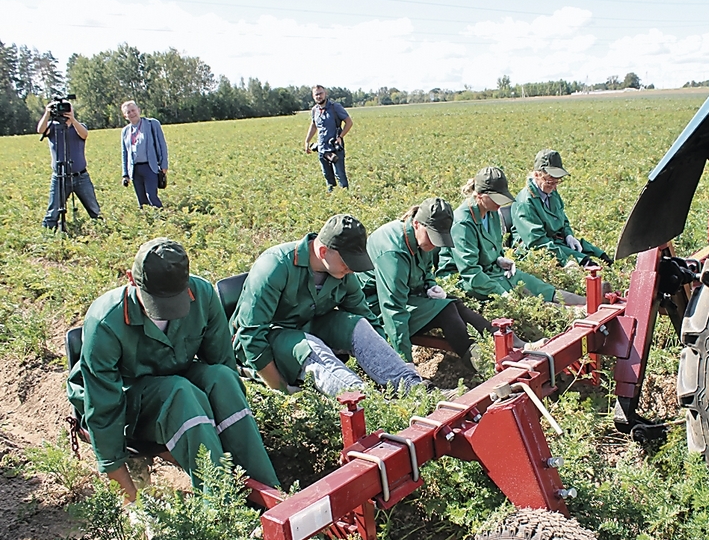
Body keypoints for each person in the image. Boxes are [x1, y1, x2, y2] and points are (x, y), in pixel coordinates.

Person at [67, 238, 280, 502]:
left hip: (179, 385)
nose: (166, 313)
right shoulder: (105, 320)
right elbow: (103, 407)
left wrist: (227, 424)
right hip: (129, 403)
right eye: (157, 303)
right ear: (131, 279)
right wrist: (131, 497)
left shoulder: (201, 295)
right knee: (180, 394)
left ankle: (270, 494)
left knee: (222, 379)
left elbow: (222, 364)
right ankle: (221, 506)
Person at [231, 214, 423, 397]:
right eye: (347, 262)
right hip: (271, 340)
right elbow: (251, 336)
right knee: (310, 347)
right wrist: (281, 388)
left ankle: (413, 388)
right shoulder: (275, 265)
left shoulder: (342, 274)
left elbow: (366, 317)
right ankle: (366, 402)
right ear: (323, 252)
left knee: (358, 325)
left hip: (309, 327)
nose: (351, 269)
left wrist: (382, 361)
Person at [358, 198, 526, 370]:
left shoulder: (422, 240)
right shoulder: (393, 251)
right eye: (432, 237)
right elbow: (392, 309)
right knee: (446, 311)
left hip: (407, 297)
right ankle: (482, 366)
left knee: (454, 303)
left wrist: (430, 285)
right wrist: (404, 363)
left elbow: (426, 269)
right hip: (375, 310)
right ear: (416, 224)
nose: (433, 244)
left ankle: (511, 343)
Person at [437, 167, 586, 306]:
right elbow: (471, 272)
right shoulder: (462, 223)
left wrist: (499, 258)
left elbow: (493, 246)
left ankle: (589, 304)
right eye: (497, 198)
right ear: (480, 196)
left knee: (536, 286)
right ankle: (569, 312)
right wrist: (502, 294)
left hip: (492, 271)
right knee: (524, 300)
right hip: (467, 281)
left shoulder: (492, 211)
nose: (500, 203)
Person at [512, 149, 613, 268]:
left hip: (555, 241)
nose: (554, 186)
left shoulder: (551, 192)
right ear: (536, 175)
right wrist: (565, 260)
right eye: (550, 182)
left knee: (602, 256)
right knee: (584, 262)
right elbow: (536, 241)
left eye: (557, 182)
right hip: (534, 248)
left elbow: (562, 219)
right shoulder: (525, 202)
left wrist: (569, 235)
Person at [37, 101, 102, 229]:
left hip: (81, 176)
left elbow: (84, 134)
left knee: (94, 209)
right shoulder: (53, 127)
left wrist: (72, 119)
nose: (64, 112)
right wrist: (47, 113)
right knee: (53, 210)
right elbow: (40, 130)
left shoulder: (79, 126)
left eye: (68, 109)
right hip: (59, 177)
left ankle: (101, 229)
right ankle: (49, 232)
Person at [121, 100, 168, 209]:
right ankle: (147, 222)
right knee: (141, 199)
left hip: (150, 167)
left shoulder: (152, 124)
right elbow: (124, 153)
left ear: (139, 110)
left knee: (151, 196)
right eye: (128, 112)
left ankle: (161, 219)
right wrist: (125, 174)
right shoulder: (125, 131)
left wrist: (164, 165)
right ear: (125, 116)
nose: (132, 113)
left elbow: (162, 145)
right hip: (135, 169)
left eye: (133, 110)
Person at [304, 85, 353, 191]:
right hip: (322, 148)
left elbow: (349, 122)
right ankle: (333, 198)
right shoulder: (314, 110)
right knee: (327, 176)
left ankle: (345, 198)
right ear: (313, 96)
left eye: (320, 93)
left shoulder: (335, 107)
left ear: (325, 93)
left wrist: (340, 136)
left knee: (339, 174)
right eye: (316, 94)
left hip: (335, 147)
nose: (319, 96)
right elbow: (313, 125)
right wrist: (307, 141)